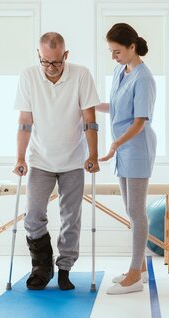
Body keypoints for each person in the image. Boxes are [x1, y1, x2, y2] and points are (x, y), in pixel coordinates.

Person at [13, 32, 100, 290]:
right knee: (33, 216)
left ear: (66, 56)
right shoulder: (29, 76)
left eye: (56, 62)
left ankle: (64, 268)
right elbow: (25, 122)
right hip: (40, 159)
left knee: (70, 217)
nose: (51, 68)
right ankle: (42, 265)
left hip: (74, 160)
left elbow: (90, 120)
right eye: (45, 62)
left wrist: (93, 154)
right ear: (39, 56)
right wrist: (20, 156)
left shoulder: (81, 75)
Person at [96, 23, 157, 295]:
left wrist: (114, 145)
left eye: (117, 51)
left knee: (136, 212)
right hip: (123, 149)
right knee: (130, 211)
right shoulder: (120, 70)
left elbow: (139, 121)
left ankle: (134, 274)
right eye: (111, 52)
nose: (113, 57)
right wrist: (89, 105)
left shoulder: (144, 78)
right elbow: (116, 107)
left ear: (132, 47)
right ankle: (139, 267)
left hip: (136, 148)